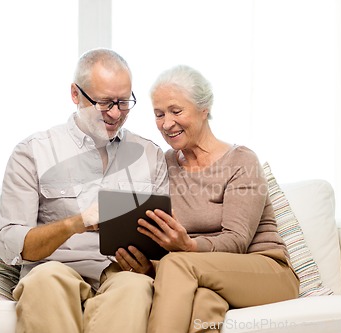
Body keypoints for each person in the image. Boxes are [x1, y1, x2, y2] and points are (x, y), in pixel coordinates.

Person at [0, 48, 169, 333]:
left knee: (137, 287)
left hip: (121, 273)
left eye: (124, 102)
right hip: (55, 269)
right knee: (43, 281)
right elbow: (9, 243)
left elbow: (161, 243)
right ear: (76, 94)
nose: (116, 113)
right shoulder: (33, 152)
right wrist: (76, 223)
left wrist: (149, 267)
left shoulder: (150, 154)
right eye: (104, 102)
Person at [120, 65, 300, 333]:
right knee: (203, 305)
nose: (166, 123)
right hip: (203, 273)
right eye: (159, 114)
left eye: (176, 111)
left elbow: (237, 240)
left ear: (204, 109)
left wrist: (188, 247)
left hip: (266, 271)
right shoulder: (163, 164)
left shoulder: (241, 161)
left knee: (176, 262)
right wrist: (147, 264)